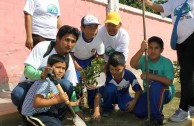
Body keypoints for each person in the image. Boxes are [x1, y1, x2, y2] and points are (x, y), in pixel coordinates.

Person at [141, 0, 194, 122]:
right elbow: (160, 7)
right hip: (181, 42)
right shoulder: (173, 1)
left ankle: (184, 109)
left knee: (186, 74)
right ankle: (191, 105)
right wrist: (147, 3)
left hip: (192, 37)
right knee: (188, 73)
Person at [11, 25, 80, 113]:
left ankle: (55, 114)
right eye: (67, 40)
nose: (69, 44)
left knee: (67, 85)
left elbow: (71, 85)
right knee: (18, 94)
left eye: (73, 41)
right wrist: (42, 74)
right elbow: (28, 71)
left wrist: (77, 110)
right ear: (57, 39)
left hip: (49, 87)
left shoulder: (68, 58)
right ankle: (27, 112)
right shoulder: (43, 47)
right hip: (30, 84)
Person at [21, 54, 81, 126]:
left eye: (63, 68)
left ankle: (55, 119)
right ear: (49, 67)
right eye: (58, 67)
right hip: (32, 115)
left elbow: (55, 99)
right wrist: (58, 100)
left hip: (44, 111)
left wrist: (75, 104)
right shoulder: (45, 82)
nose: (61, 71)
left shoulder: (56, 82)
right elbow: (37, 103)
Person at [130, 36, 175, 125]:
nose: (153, 51)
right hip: (148, 92)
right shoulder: (144, 59)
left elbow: (169, 81)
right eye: (150, 47)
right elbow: (132, 64)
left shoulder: (166, 62)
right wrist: (141, 50)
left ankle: (157, 118)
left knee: (156, 85)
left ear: (161, 50)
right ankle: (152, 108)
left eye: (156, 48)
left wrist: (149, 75)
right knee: (139, 112)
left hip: (165, 93)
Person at [93, 51, 142, 121]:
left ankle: (124, 104)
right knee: (110, 89)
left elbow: (139, 90)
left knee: (126, 107)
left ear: (124, 67)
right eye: (112, 69)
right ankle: (107, 109)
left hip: (123, 95)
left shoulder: (129, 75)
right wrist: (96, 111)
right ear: (108, 67)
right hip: (109, 96)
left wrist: (134, 101)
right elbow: (99, 94)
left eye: (118, 70)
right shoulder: (106, 76)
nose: (114, 72)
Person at [71, 15, 105, 110]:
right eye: (90, 27)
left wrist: (95, 72)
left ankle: (91, 106)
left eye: (95, 27)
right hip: (75, 62)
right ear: (82, 28)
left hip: (89, 61)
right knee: (76, 82)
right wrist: (79, 69)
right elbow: (70, 56)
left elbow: (100, 60)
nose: (93, 30)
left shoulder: (99, 42)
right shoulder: (76, 38)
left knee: (92, 83)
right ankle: (77, 106)